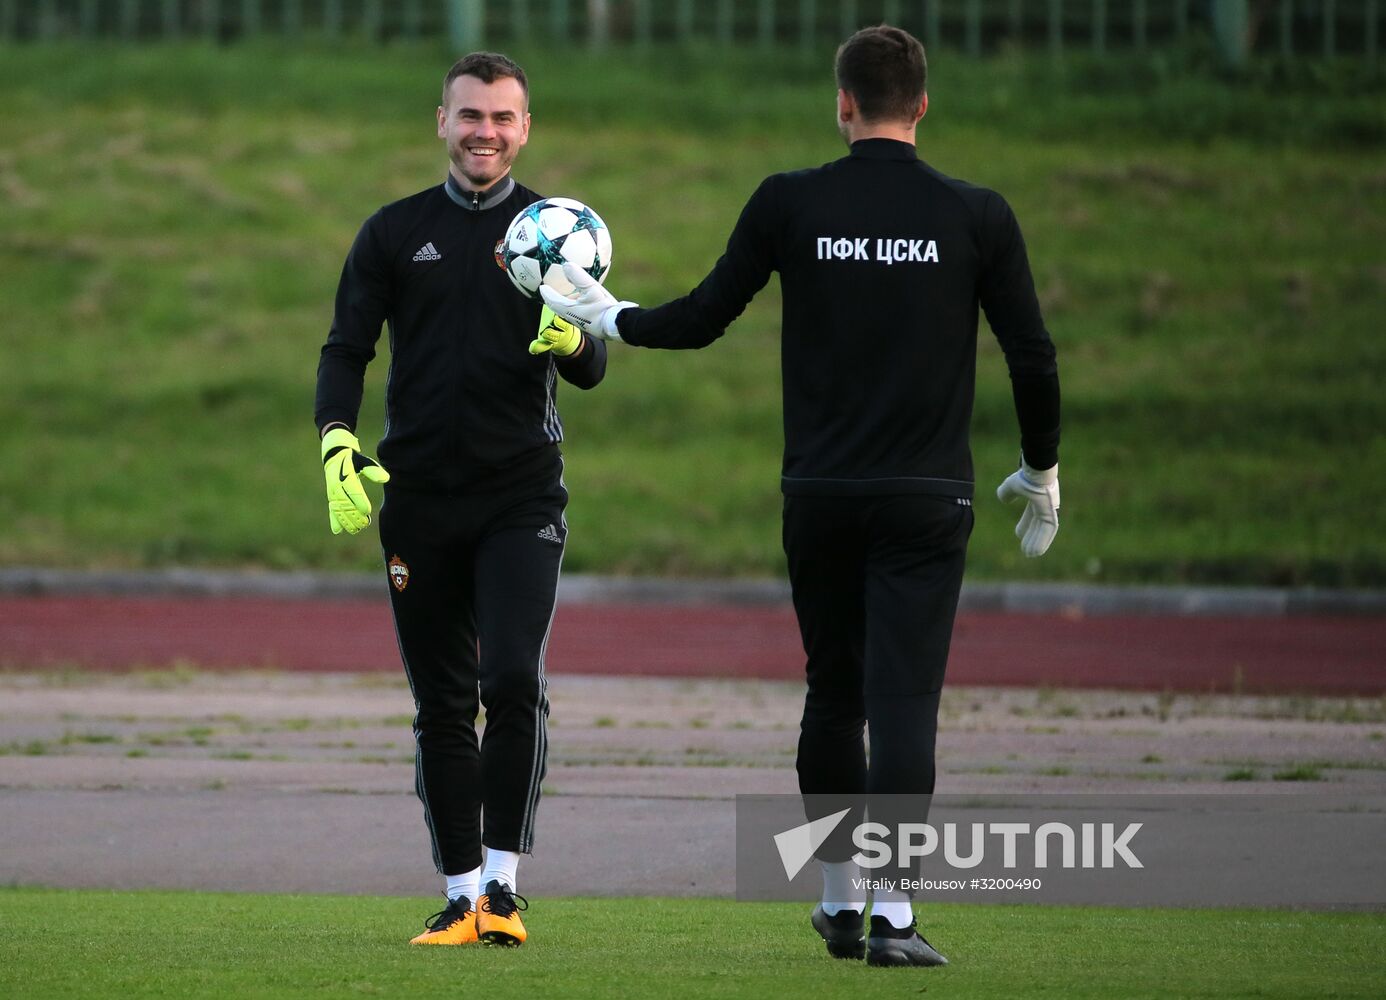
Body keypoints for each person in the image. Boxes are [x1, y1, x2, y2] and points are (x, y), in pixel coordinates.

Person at [542, 25, 1060, 968]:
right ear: (924, 106)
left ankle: (837, 901)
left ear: (843, 104)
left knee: (834, 692)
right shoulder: (977, 214)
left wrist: (608, 314)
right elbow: (1031, 351)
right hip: (926, 500)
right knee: (904, 704)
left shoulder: (792, 203)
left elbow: (701, 318)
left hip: (819, 494)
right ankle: (895, 922)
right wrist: (1042, 466)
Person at [314, 51, 607, 949]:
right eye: (470, 115)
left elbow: (593, 364)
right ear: (439, 121)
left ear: (526, 129)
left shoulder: (557, 231)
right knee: (442, 705)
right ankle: (459, 895)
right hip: (419, 502)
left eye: (503, 118)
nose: (486, 131)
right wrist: (335, 438)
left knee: (512, 680)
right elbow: (346, 349)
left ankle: (506, 895)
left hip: (521, 497)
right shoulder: (394, 232)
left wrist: (568, 337)